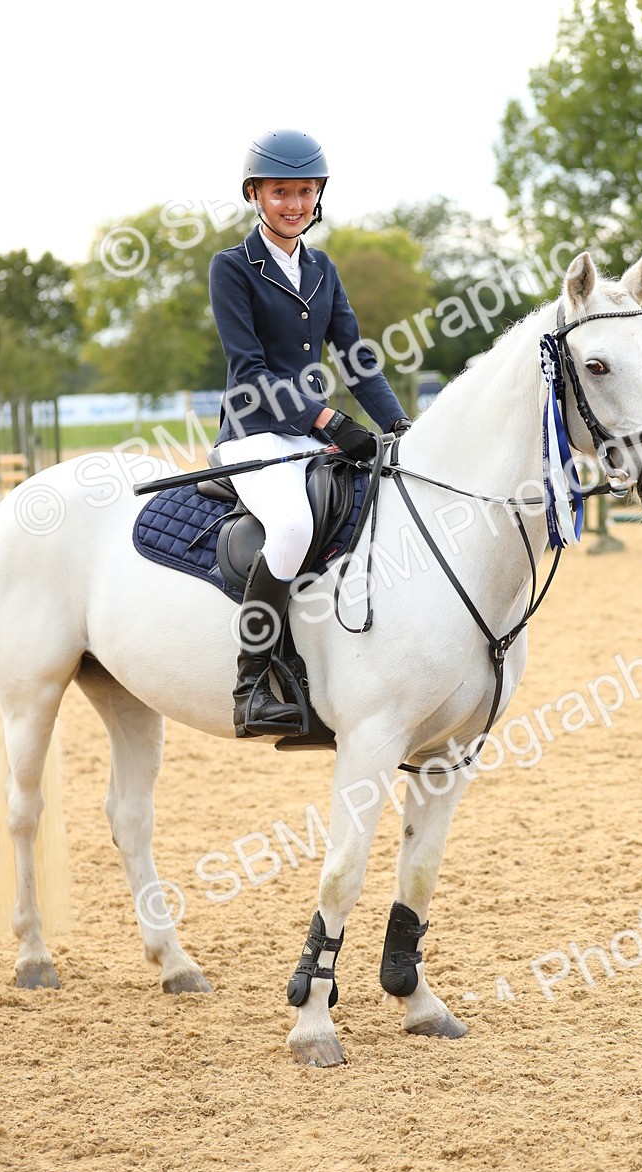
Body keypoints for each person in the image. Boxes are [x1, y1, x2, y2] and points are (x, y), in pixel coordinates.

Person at [209, 129, 411, 739]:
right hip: (254, 436)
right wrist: (328, 421)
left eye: (304, 191)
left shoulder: (323, 269)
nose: (293, 203)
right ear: (255, 194)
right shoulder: (231, 269)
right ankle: (251, 685)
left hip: (306, 438)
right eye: (280, 192)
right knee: (294, 526)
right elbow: (251, 371)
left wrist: (399, 427)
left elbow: (357, 359)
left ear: (318, 194)